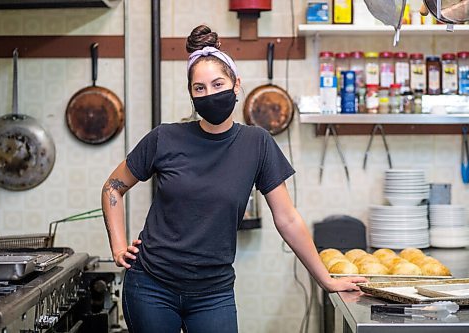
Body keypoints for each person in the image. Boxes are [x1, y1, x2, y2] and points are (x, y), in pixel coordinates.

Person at [101, 24, 367, 333]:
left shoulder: (257, 143)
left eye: (217, 84)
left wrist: (325, 279)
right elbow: (114, 188)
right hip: (151, 286)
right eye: (199, 88)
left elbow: (287, 219)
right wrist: (118, 246)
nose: (209, 94)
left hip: (213, 293)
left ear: (236, 84)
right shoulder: (164, 138)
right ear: (191, 94)